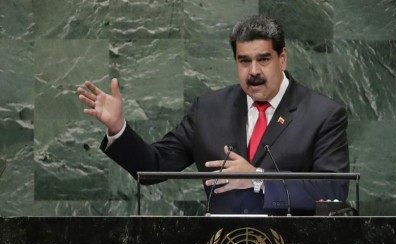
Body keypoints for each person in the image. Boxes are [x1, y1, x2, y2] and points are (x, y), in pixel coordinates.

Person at [77, 15, 349, 215]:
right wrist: (118, 128)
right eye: (244, 61)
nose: (253, 71)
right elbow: (154, 167)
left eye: (263, 59)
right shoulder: (208, 109)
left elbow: (333, 192)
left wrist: (257, 177)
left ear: (283, 58)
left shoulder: (323, 114)